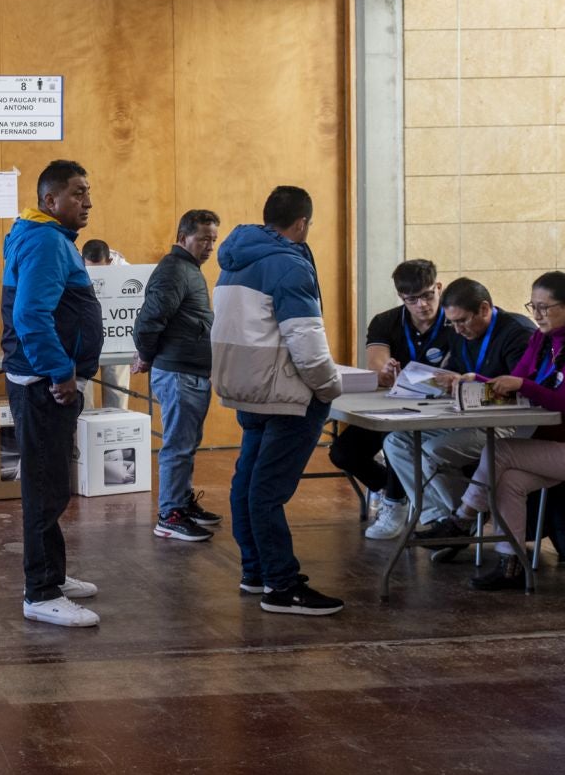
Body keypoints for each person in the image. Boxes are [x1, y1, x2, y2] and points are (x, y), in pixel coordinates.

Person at [211, 186, 345, 616]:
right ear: (302, 223)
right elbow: (305, 339)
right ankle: (282, 585)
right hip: (286, 392)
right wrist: (329, 386)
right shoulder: (289, 265)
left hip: (247, 387)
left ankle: (256, 571)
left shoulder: (234, 261)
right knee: (266, 491)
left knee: (248, 482)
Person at [453, 271, 565, 592]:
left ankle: (461, 517)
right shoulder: (542, 338)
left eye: (545, 308)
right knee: (508, 480)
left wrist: (525, 385)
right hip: (555, 444)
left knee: (501, 450)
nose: (537, 315)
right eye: (533, 306)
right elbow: (516, 381)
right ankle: (511, 565)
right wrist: (470, 381)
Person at [1, 160, 103, 628]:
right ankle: (40, 592)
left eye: (87, 193)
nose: (87, 202)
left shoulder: (47, 237)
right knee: (46, 487)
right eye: (78, 193)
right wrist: (61, 372)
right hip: (46, 384)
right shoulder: (45, 241)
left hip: (45, 379)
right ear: (50, 201)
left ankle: (53, 577)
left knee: (51, 482)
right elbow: (31, 316)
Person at [380, 278, 536, 555]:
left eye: (463, 321)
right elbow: (455, 373)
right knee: (396, 442)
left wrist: (471, 385)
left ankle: (462, 521)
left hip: (510, 423)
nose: (458, 329)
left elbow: (523, 394)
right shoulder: (457, 332)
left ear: (485, 309)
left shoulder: (518, 334)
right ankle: (442, 519)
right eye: (452, 323)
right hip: (466, 416)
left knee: (432, 450)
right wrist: (442, 381)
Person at [334, 260, 447, 540]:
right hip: (394, 406)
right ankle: (392, 489)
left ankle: (395, 504)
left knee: (397, 440)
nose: (422, 304)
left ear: (439, 288)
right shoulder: (386, 321)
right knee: (342, 453)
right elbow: (378, 365)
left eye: (428, 295)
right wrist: (384, 370)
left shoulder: (454, 319)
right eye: (413, 299)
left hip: (440, 410)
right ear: (401, 298)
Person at [132, 209, 222, 543]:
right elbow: (149, 320)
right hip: (178, 373)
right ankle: (169, 515)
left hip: (190, 371)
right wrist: (145, 354)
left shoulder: (188, 269)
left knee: (186, 443)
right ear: (183, 236)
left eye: (213, 239)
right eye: (203, 239)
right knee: (177, 446)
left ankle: (182, 503)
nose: (209, 246)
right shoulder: (174, 270)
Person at [80, 240, 131, 409]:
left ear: (109, 262)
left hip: (115, 336)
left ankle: (116, 432)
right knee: (83, 394)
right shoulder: (73, 264)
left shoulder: (124, 268)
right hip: (85, 336)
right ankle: (86, 433)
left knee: (117, 390)